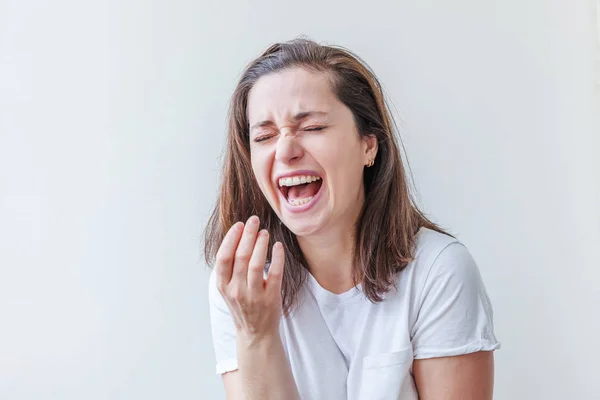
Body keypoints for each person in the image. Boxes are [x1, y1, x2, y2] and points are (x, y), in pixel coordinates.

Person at [204, 38, 500, 400]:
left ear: (368, 145)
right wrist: (256, 335)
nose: (285, 150)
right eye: (264, 136)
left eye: (312, 128)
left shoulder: (439, 271)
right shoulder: (241, 283)